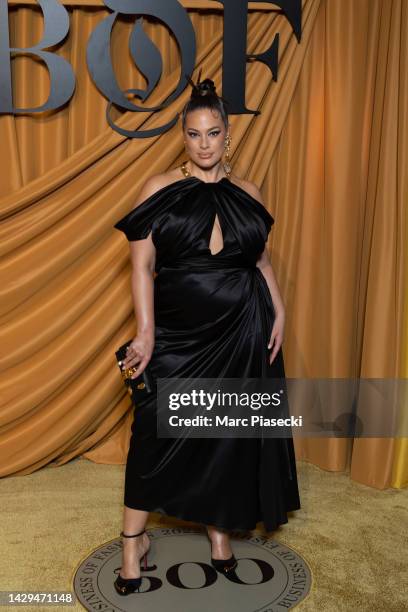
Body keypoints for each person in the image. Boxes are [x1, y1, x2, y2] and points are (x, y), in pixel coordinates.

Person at [112, 73, 301, 596]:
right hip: (177, 335)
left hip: (243, 330)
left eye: (212, 133)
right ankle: (133, 540)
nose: (203, 144)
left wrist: (279, 310)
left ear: (227, 133)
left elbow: (261, 261)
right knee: (154, 432)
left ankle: (220, 534)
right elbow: (141, 266)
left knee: (225, 435)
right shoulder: (158, 189)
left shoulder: (248, 192)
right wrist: (146, 334)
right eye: (193, 134)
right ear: (182, 136)